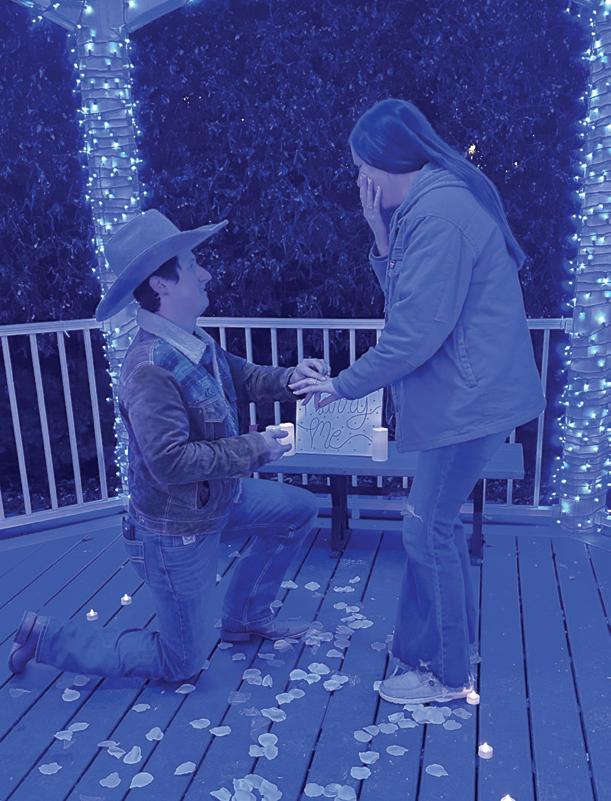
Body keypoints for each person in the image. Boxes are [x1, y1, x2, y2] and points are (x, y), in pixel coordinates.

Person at [289, 98, 546, 704]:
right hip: (468, 399)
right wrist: (379, 234)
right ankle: (429, 649)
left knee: (425, 530)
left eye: (360, 167)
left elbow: (412, 335)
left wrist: (340, 386)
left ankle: (447, 675)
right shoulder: (427, 206)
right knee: (435, 526)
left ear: (382, 163)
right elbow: (410, 301)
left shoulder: (439, 215)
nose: (359, 179)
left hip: (470, 403)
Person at [8, 209, 326, 683]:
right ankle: (45, 638)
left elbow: (243, 376)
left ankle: (244, 618)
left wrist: (291, 378)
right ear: (161, 284)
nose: (206, 273)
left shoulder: (191, 339)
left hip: (219, 499)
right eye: (193, 265)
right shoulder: (150, 368)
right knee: (181, 664)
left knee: (298, 511)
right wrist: (257, 447)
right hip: (176, 531)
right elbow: (171, 462)